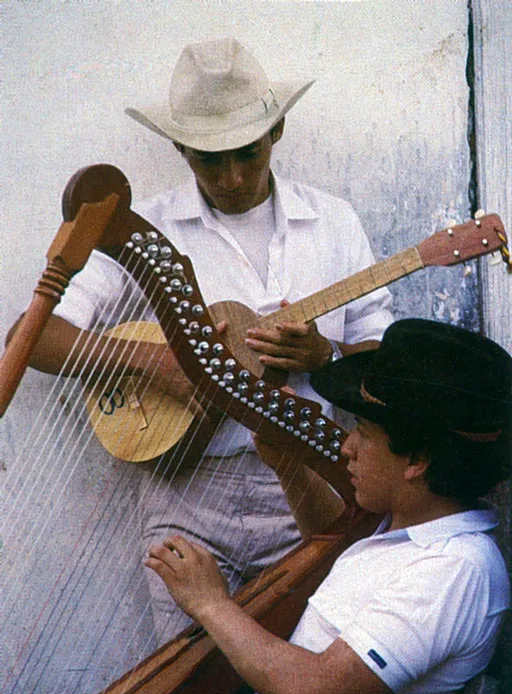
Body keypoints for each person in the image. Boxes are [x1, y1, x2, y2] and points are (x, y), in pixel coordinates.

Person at [9, 37, 392, 647]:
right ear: (180, 148)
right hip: (185, 492)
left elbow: (381, 365)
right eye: (210, 160)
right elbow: (35, 338)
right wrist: (167, 361)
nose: (233, 177)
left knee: (301, 676)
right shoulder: (143, 230)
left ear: (277, 131)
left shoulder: (334, 221)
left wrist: (326, 358)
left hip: (309, 484)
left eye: (248, 153)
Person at [146, 318, 511, 694]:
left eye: (362, 430)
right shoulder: (411, 530)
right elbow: (334, 549)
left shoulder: (456, 569)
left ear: (416, 460)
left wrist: (212, 604)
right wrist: (291, 469)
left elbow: (314, 693)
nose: (346, 447)